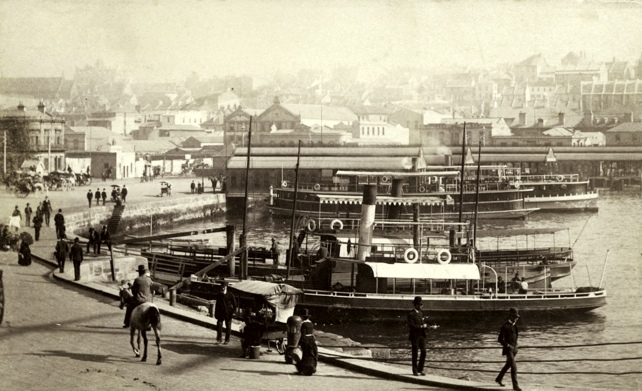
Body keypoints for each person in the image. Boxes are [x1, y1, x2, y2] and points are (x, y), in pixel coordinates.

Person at [496, 308, 521, 391]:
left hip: (514, 349)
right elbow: (500, 339)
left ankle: (499, 379)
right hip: (508, 350)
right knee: (514, 367)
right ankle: (515, 386)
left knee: (508, 365)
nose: (516, 318)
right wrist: (507, 345)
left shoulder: (515, 327)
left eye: (517, 317)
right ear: (510, 316)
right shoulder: (505, 326)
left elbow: (516, 337)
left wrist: (516, 346)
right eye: (515, 317)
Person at [408, 296, 427, 376]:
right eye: (419, 305)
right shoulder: (410, 314)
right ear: (415, 305)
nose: (421, 306)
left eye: (421, 305)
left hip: (422, 335)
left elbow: (421, 323)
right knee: (415, 353)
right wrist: (421, 326)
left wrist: (427, 326)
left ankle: (420, 369)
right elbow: (411, 325)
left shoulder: (420, 313)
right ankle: (415, 370)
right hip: (415, 336)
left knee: (424, 351)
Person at [295, 309, 318, 376]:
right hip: (312, 340)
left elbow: (303, 335)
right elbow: (312, 333)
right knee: (311, 355)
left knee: (305, 355)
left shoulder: (303, 324)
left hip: (306, 341)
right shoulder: (311, 323)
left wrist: (299, 344)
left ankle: (304, 369)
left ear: (302, 317)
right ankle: (311, 369)